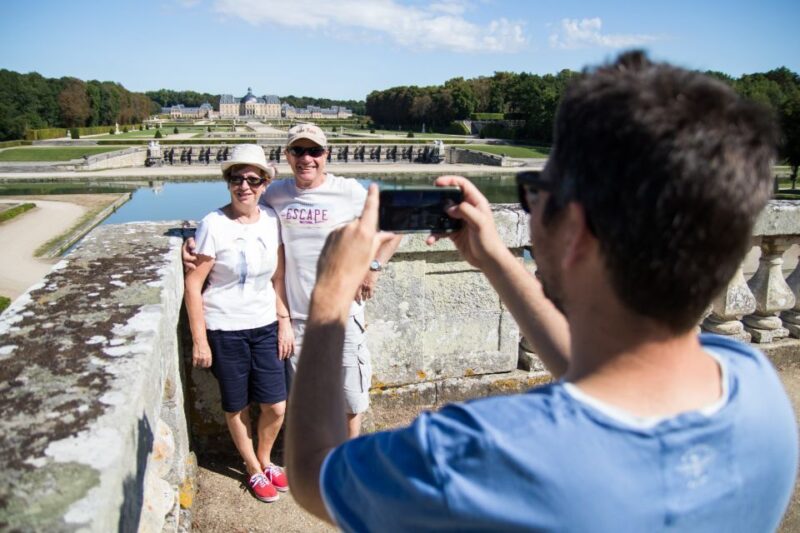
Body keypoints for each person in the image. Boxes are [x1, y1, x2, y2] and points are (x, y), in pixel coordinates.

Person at [285, 51, 799, 531]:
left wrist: (330, 298)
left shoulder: (477, 453)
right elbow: (597, 367)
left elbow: (313, 477)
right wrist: (494, 257)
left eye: (536, 192)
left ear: (574, 231)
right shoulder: (752, 383)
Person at [184, 124, 402, 438]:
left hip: (342, 316)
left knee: (350, 402)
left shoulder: (349, 191)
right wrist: (192, 241)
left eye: (314, 151)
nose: (306, 158)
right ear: (287, 155)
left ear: (327, 155)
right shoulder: (275, 192)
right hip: (296, 323)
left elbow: (397, 225)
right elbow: (237, 213)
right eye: (298, 150)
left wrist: (373, 267)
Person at [184, 144, 292, 503]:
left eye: (251, 179)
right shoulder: (213, 225)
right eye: (235, 178)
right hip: (224, 329)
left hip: (264, 325)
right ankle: (252, 468)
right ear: (228, 183)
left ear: (264, 185)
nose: (243, 186)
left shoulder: (272, 221)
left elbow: (278, 278)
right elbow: (193, 284)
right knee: (237, 406)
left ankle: (266, 459)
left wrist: (284, 321)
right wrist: (200, 339)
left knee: (277, 405)